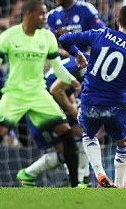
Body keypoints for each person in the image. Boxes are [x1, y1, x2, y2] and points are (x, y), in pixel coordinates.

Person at [0, 0, 82, 188]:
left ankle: (76, 185)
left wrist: (72, 80)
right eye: (41, 14)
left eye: (46, 14)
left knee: (67, 134)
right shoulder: (9, 36)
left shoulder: (47, 37)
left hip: (38, 94)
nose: (45, 18)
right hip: (14, 94)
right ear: (28, 13)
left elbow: (57, 67)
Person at [59, 4, 126, 188]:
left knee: (89, 134)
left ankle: (99, 173)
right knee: (124, 142)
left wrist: (77, 54)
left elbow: (64, 38)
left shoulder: (100, 34)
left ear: (118, 21)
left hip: (89, 101)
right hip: (115, 106)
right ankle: (118, 183)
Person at [16, 55, 90, 187]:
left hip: (56, 105)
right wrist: (74, 113)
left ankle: (81, 179)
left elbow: (67, 88)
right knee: (70, 150)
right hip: (42, 108)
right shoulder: (82, 64)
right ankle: (28, 173)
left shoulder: (80, 61)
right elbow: (55, 89)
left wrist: (73, 105)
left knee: (84, 138)